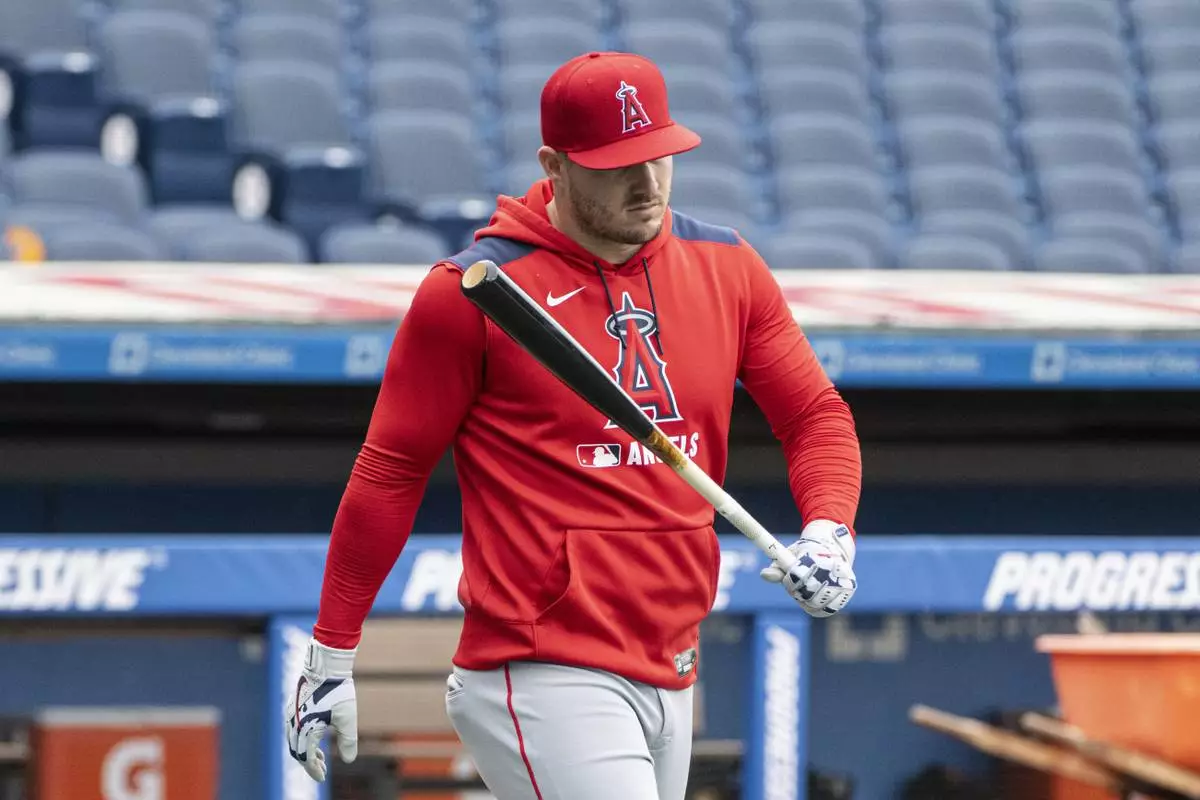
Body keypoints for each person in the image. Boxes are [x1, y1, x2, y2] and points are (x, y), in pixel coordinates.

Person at [286, 51, 862, 800]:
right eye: (616, 164)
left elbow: (815, 414)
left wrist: (830, 529)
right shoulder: (475, 293)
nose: (646, 183)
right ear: (553, 166)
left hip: (672, 658)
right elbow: (390, 472)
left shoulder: (728, 266)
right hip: (538, 666)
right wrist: (331, 651)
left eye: (659, 156)